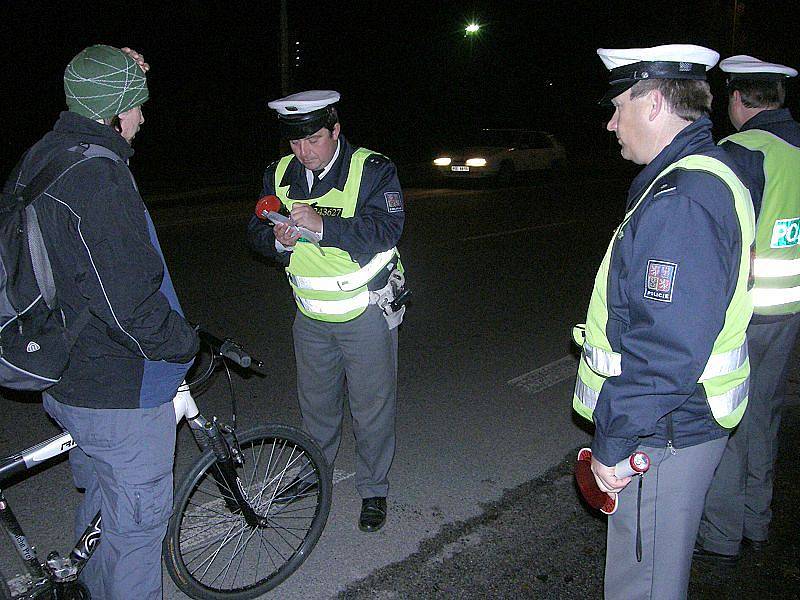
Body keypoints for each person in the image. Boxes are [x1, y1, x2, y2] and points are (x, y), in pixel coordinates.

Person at [3, 45, 198, 599]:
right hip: (119, 393)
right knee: (137, 531)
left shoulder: (46, 153)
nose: (143, 116)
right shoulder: (99, 178)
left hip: (64, 374)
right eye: (137, 104)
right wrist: (185, 342)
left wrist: (120, 64)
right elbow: (131, 308)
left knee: (99, 507)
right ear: (114, 110)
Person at [571, 44, 755, 598]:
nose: (610, 123)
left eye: (617, 106)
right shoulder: (698, 173)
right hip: (681, 420)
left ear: (652, 103)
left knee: (642, 583)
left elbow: (666, 349)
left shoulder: (683, 198)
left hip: (665, 430)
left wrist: (614, 442)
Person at [247, 90, 406, 532]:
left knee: (371, 410)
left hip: (365, 313)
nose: (305, 151)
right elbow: (254, 233)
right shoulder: (278, 173)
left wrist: (324, 225)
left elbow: (388, 228)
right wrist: (279, 240)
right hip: (311, 317)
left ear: (336, 131)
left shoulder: (372, 169)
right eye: (296, 142)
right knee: (316, 408)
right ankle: (314, 474)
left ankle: (373, 490)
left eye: (315, 138)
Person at [695, 55, 800, 565]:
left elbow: (718, 242)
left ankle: (721, 535)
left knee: (727, 418)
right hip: (789, 308)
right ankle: (758, 521)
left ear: (738, 100)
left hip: (743, 314)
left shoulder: (740, 151)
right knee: (766, 415)